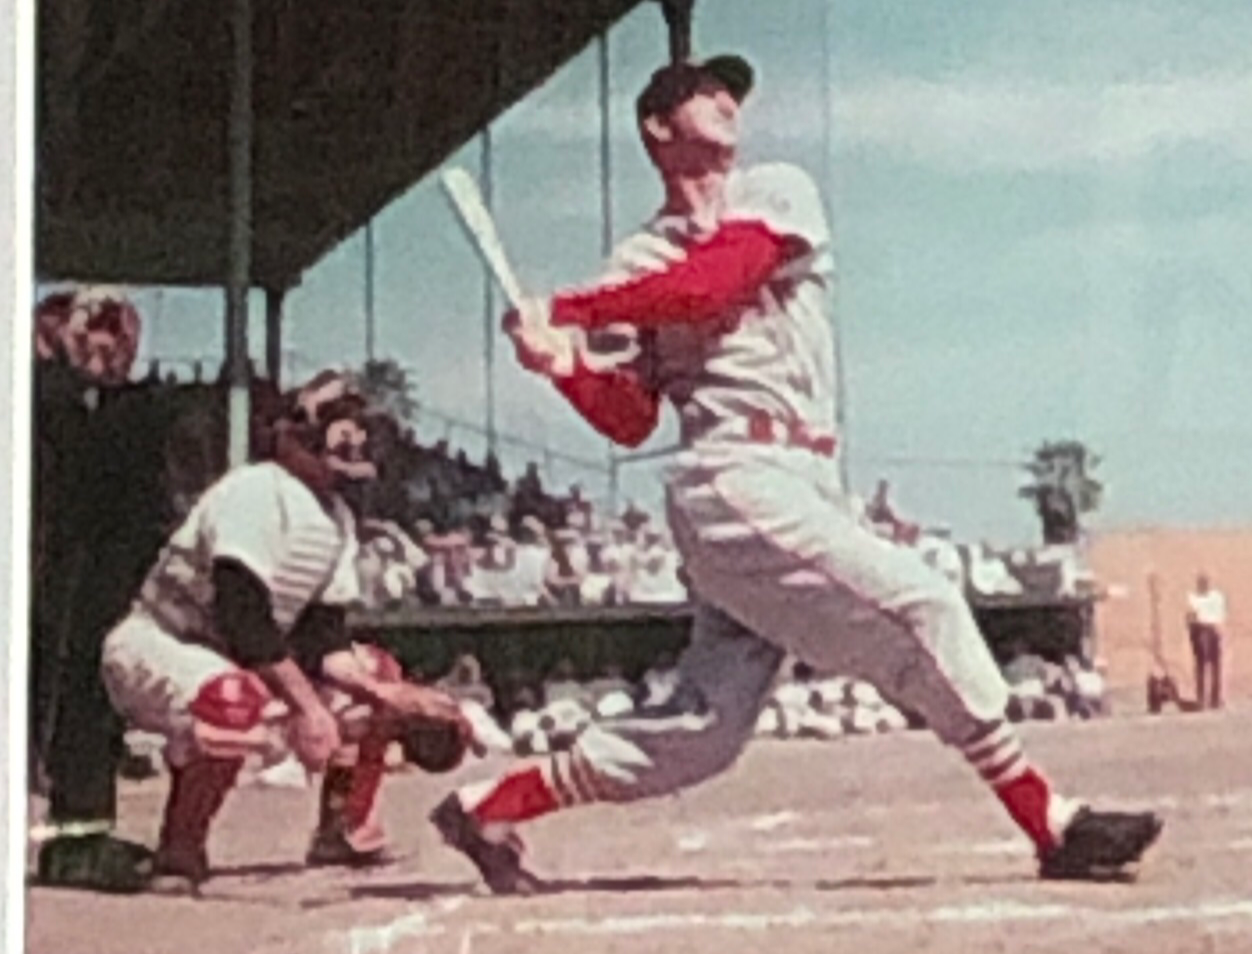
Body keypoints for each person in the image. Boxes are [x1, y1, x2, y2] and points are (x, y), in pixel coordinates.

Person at [429, 52, 1161, 892]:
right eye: (703, 91)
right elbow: (630, 418)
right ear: (657, 128)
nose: (726, 100)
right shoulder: (634, 262)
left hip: (803, 476)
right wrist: (559, 366)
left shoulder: (775, 191)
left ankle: (490, 806)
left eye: (730, 90)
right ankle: (1051, 821)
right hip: (732, 473)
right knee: (924, 601)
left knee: (704, 732)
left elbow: (715, 284)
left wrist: (570, 312)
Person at [100, 371, 471, 887]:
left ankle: (341, 830)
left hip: (235, 656)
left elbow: (324, 639)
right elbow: (242, 613)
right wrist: (308, 709)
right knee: (231, 699)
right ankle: (180, 851)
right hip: (161, 644)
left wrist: (394, 695)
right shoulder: (257, 490)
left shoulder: (334, 515)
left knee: (374, 671)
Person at [31, 289, 177, 893]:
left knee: (90, 697)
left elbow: (133, 455)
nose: (105, 339)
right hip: (47, 556)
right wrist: (62, 361)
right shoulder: (39, 390)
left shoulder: (123, 405)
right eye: (90, 325)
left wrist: (105, 371)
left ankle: (78, 839)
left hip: (91, 565)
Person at [1186, 572, 1227, 710]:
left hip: (1212, 629)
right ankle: (1202, 697)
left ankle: (1214, 698)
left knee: (1215, 666)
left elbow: (1220, 615)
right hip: (1200, 629)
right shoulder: (1193, 597)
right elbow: (1190, 616)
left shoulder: (1216, 597)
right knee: (1201, 665)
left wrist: (1220, 630)